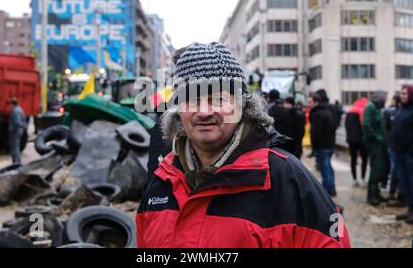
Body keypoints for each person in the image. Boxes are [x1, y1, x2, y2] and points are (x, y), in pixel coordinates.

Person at [136, 42, 350, 248]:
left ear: (242, 106)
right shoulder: (163, 178)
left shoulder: (287, 179)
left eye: (218, 99)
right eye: (192, 100)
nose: (204, 112)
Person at [391, 85, 413, 224]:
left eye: (405, 93)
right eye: (402, 93)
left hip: (409, 154)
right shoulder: (400, 109)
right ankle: (410, 209)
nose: (402, 96)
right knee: (405, 184)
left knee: (412, 183)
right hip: (398, 152)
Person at [308, 93, 337, 197]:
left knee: (325, 170)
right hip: (330, 144)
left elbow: (316, 132)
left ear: (316, 102)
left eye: (310, 102)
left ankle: (326, 193)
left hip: (322, 146)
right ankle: (332, 189)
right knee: (328, 167)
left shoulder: (317, 114)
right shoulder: (328, 111)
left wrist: (314, 147)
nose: (308, 104)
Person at [362, 91, 388, 206]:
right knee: (375, 169)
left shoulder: (377, 108)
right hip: (374, 145)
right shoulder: (370, 107)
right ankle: (372, 195)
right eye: (384, 98)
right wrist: (376, 136)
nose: (385, 100)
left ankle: (376, 193)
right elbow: (366, 124)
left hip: (379, 145)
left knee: (379, 169)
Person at [384, 94, 404, 206]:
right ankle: (394, 193)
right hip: (394, 147)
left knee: (397, 171)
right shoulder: (393, 113)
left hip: (401, 148)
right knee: (395, 171)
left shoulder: (400, 112)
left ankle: (399, 195)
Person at [345, 98, 368, 187]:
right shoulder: (362, 111)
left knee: (353, 159)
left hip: (351, 140)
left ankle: (354, 179)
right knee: (364, 159)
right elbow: (364, 126)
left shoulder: (349, 111)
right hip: (361, 140)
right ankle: (363, 178)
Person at [267, 89, 295, 154]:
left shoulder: (269, 108)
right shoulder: (285, 107)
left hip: (275, 141)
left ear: (270, 97)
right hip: (286, 139)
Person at [9, 97, 27, 165]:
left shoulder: (16, 111)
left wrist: (12, 129)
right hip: (19, 130)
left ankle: (16, 162)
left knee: (15, 147)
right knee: (16, 146)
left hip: (15, 131)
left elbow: (17, 122)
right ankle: (17, 161)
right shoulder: (19, 109)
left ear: (12, 104)